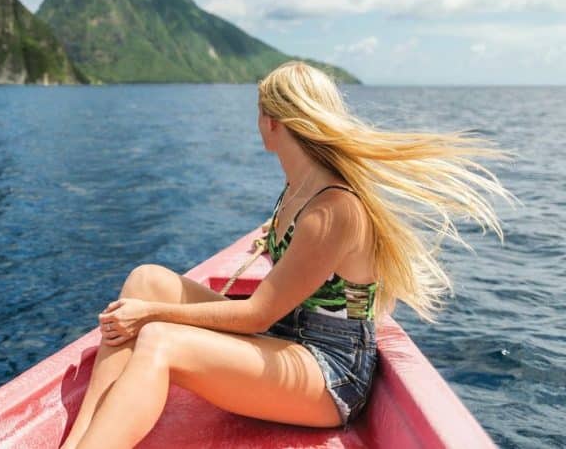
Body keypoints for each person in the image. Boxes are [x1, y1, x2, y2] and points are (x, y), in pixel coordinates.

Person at [58, 60, 516, 449]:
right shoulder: (299, 188)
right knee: (146, 279)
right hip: (286, 337)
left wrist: (152, 315)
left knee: (158, 336)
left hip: (329, 374)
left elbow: (256, 316)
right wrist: (149, 304)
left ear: (273, 122)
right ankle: (79, 440)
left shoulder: (332, 207)